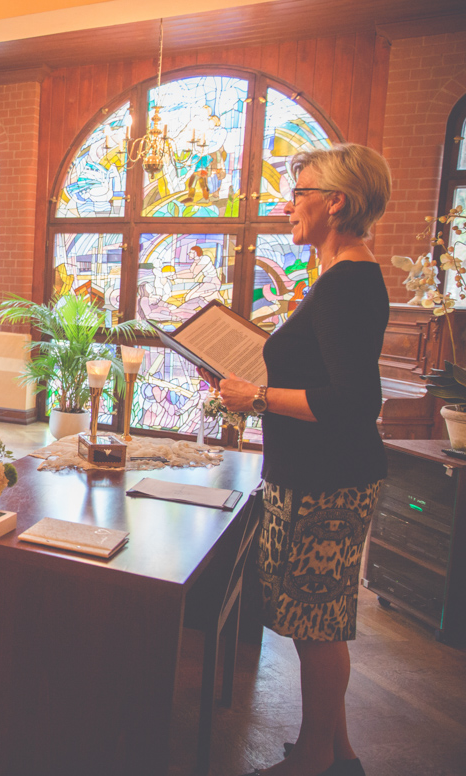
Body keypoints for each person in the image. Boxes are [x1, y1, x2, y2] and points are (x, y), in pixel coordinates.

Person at [215, 144, 391, 776]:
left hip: (327, 481)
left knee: (316, 624)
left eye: (300, 193)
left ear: (335, 203)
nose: (288, 205)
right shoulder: (338, 275)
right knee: (318, 620)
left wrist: (255, 395)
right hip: (316, 475)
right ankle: (337, 752)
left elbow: (350, 401)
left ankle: (316, 757)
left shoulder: (347, 283)